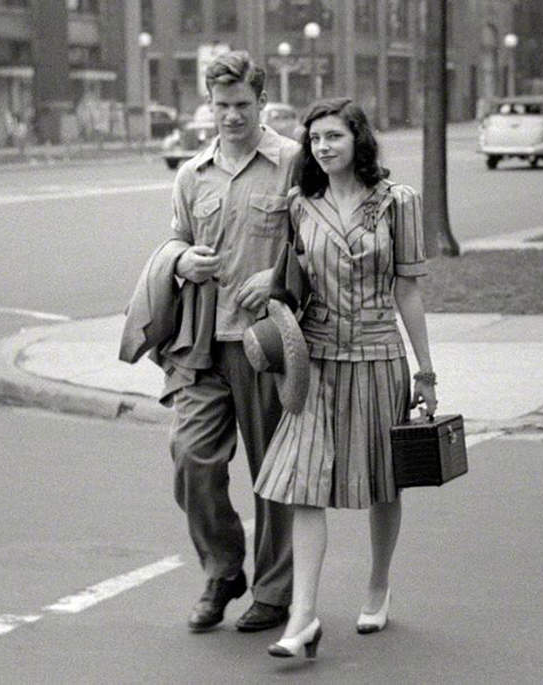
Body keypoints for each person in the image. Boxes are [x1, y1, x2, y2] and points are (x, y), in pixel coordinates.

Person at [254, 98, 438, 658]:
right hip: (317, 360)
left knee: (385, 480)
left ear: (358, 139)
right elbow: (293, 277)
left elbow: (408, 290)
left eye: (333, 136)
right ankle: (303, 615)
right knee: (303, 482)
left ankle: (378, 583)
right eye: (314, 140)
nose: (323, 147)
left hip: (381, 358)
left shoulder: (398, 202)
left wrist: (426, 370)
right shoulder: (300, 205)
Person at [164, 51, 299, 633]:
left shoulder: (293, 162)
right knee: (192, 457)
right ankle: (222, 570)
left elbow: (318, 244)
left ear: (261, 102)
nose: (231, 117)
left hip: (266, 343)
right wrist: (181, 260)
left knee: (272, 470)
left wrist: (276, 278)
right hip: (202, 342)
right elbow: (174, 242)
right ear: (209, 105)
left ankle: (274, 590)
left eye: (242, 105)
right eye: (221, 106)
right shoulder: (192, 173)